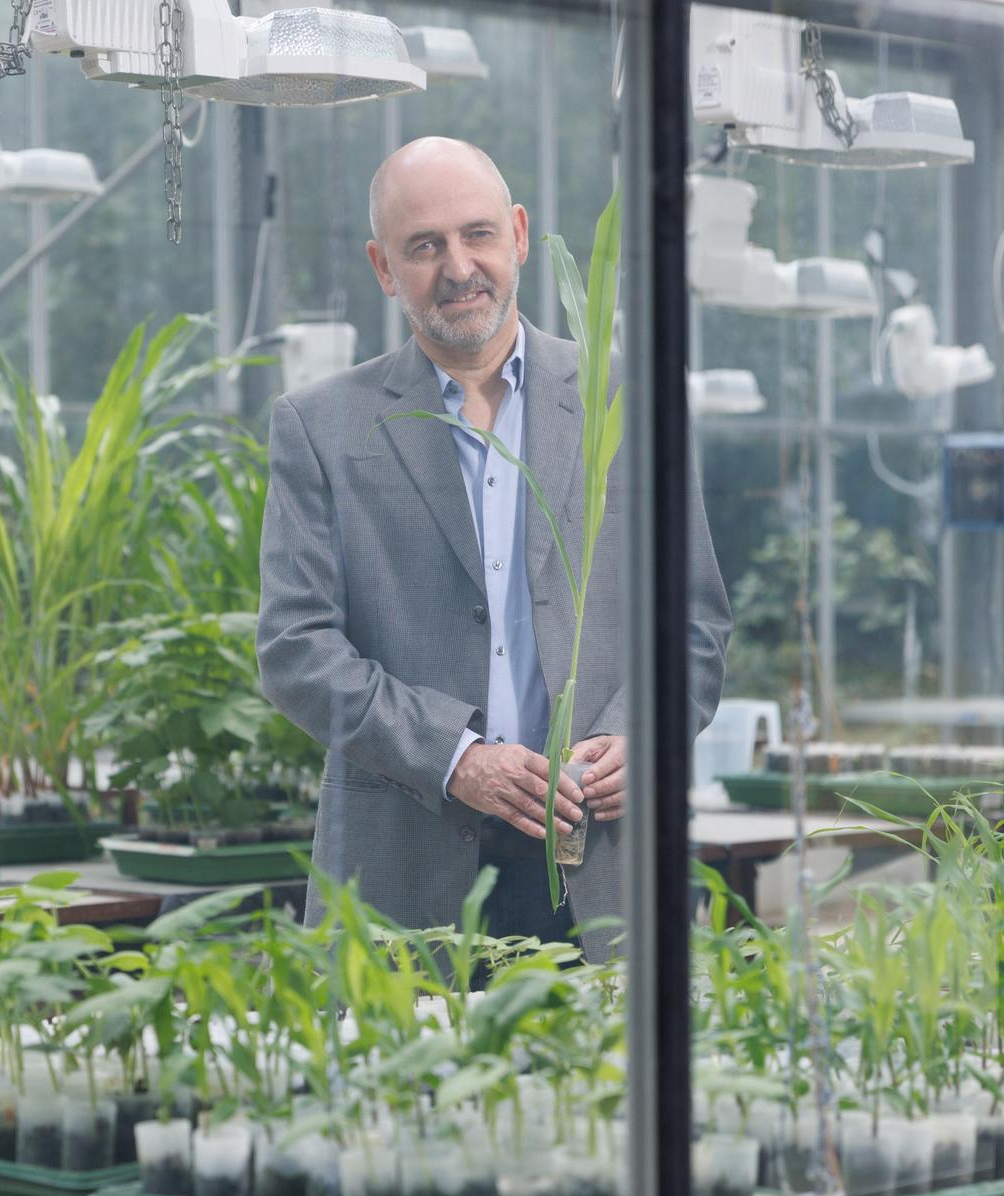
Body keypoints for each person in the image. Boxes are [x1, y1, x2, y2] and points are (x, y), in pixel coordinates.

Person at [256, 137, 731, 955]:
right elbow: (295, 650)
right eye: (424, 246)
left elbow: (693, 622)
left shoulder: (630, 400)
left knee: (601, 1087)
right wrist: (455, 755)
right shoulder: (321, 426)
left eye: (476, 234)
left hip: (602, 870)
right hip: (402, 878)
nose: (458, 267)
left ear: (517, 234)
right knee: (404, 1089)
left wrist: (644, 731)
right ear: (382, 266)